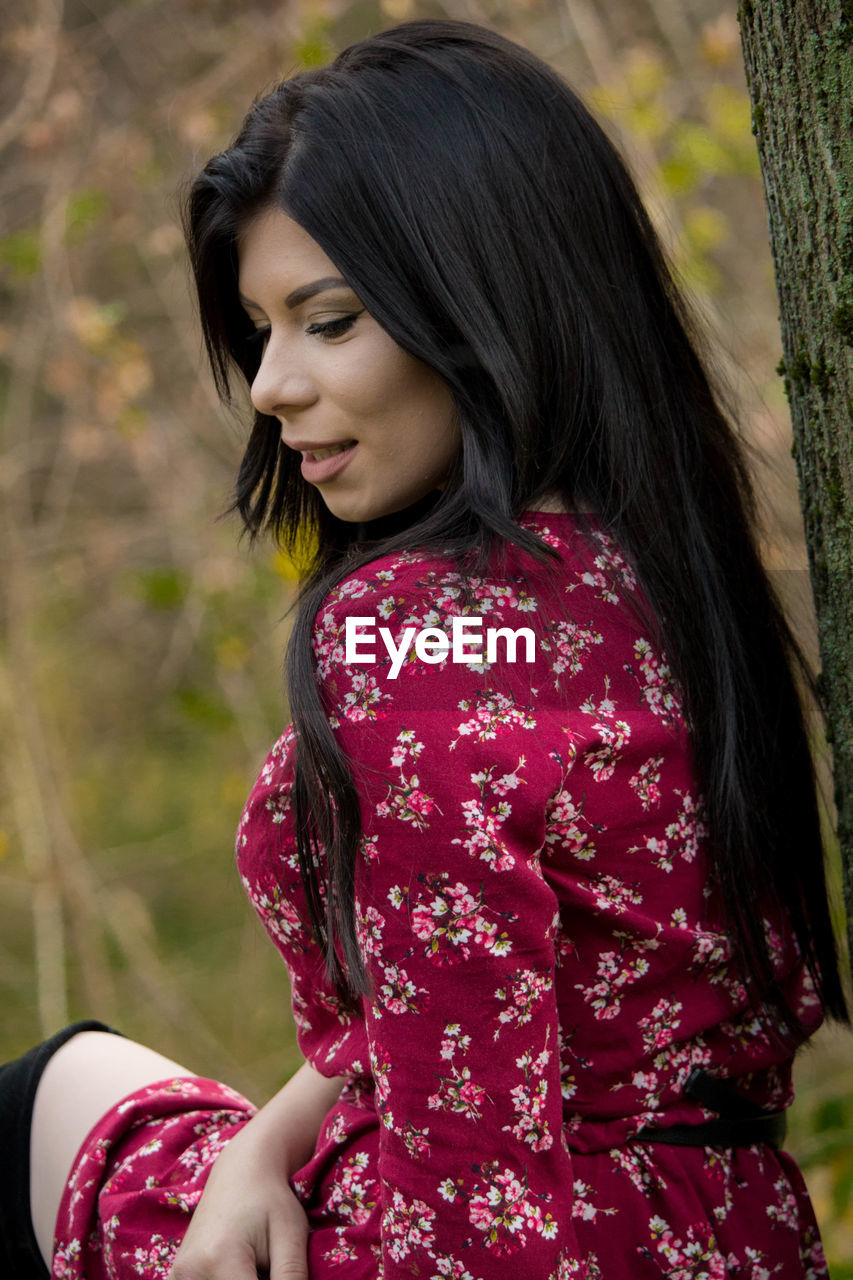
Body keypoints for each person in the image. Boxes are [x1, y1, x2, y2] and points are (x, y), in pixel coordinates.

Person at [1, 16, 848, 1280]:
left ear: (480, 299)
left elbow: (476, 1195)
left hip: (486, 1242)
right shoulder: (671, 574)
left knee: (34, 1093)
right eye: (260, 330)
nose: (271, 386)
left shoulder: (411, 631)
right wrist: (264, 1143)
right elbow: (510, 1016)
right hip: (732, 1232)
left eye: (328, 320)